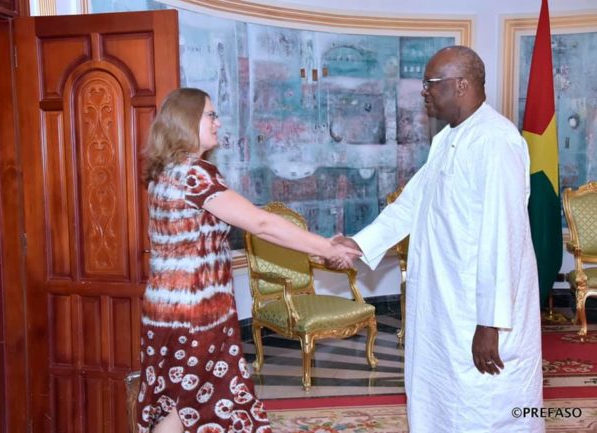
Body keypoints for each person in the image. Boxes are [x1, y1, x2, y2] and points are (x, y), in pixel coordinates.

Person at [332, 46, 544, 432]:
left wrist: (490, 323)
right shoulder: (445, 140)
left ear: (461, 85)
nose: (424, 92)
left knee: (485, 407)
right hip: (444, 304)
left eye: (431, 83)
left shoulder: (496, 141)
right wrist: (359, 245)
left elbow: (504, 236)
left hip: (477, 310)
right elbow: (410, 204)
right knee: (442, 400)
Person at [136, 87, 361, 433]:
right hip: (197, 313)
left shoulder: (163, 174)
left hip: (164, 309)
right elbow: (261, 223)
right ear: (187, 120)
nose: (218, 122)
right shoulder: (196, 175)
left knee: (177, 403)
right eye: (211, 115)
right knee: (188, 406)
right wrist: (327, 247)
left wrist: (314, 248)